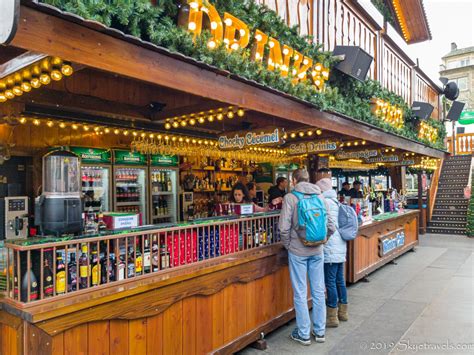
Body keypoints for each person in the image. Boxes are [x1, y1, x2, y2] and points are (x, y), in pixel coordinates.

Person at [279, 168, 336, 346]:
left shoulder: (291, 198)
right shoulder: (320, 196)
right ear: (308, 180)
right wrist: (322, 241)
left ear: (294, 181)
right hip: (317, 251)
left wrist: (290, 246)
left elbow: (283, 228)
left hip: (297, 252)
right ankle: (320, 332)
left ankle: (303, 334)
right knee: (319, 291)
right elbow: (332, 226)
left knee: (300, 292)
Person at [316, 177, 349, 328]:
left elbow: (324, 225)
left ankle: (332, 316)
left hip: (329, 247)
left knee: (330, 281)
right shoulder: (336, 201)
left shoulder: (324, 203)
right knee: (339, 280)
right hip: (340, 246)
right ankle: (343, 312)